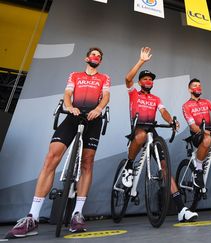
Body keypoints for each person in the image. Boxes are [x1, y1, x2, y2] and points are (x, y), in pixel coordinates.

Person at [6, 47, 111, 238]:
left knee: (87, 162)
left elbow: (105, 96)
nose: (96, 57)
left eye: (99, 56)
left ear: (100, 61)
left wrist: (99, 109)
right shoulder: (75, 75)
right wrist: (69, 107)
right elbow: (68, 94)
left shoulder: (104, 77)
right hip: (73, 115)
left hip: (93, 119)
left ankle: (77, 214)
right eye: (93, 55)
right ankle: (33, 216)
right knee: (51, 158)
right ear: (86, 58)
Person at [122, 47, 198, 222]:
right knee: (140, 136)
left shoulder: (156, 98)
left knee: (165, 167)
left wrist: (172, 120)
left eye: (150, 79)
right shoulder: (134, 93)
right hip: (138, 128)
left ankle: (181, 209)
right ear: (140, 82)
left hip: (152, 129)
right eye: (145, 79)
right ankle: (128, 166)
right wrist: (141, 61)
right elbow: (127, 79)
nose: (148, 81)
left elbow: (163, 112)